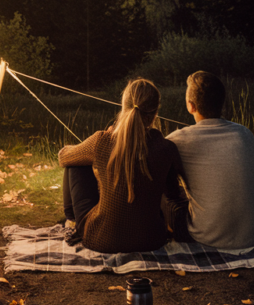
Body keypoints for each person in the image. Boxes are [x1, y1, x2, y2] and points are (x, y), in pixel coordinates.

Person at [59, 78, 183, 253]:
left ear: (123, 107)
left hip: (100, 239)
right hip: (151, 241)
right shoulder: (167, 148)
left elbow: (63, 157)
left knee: (75, 162)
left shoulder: (102, 140)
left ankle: (72, 222)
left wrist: (95, 151)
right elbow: (172, 193)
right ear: (155, 112)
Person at [163, 70, 254, 249]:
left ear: (190, 106)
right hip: (252, 235)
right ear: (221, 103)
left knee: (165, 196)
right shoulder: (245, 134)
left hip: (206, 237)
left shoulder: (177, 140)